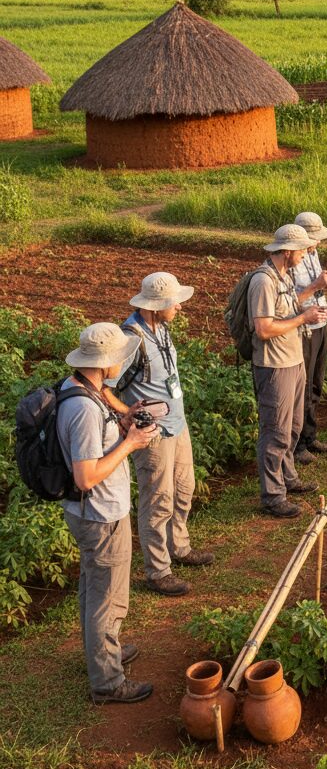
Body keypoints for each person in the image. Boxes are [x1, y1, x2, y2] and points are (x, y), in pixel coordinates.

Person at [59, 323, 160, 704]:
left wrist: (122, 424)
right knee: (109, 599)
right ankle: (107, 681)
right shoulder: (84, 408)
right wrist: (131, 443)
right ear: (103, 363)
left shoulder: (80, 388)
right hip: (99, 514)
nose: (123, 362)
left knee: (93, 589)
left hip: (91, 513)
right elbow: (85, 476)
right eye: (119, 357)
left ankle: (102, 652)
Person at [115, 272, 213, 598]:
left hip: (177, 425)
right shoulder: (131, 338)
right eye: (175, 303)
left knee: (184, 489)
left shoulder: (162, 328)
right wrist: (127, 414)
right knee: (158, 500)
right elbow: (103, 387)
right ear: (156, 307)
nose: (180, 308)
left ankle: (179, 547)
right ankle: (158, 571)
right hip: (153, 433)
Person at [249, 224, 327, 519]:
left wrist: (306, 307)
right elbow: (264, 328)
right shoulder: (263, 281)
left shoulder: (284, 275)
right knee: (275, 431)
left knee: (293, 426)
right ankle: (272, 495)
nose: (306, 252)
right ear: (287, 251)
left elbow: (286, 308)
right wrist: (303, 319)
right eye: (302, 249)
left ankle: (288, 476)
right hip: (274, 365)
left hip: (293, 360)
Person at [290, 211, 327, 465]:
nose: (318, 243)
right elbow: (287, 302)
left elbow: (313, 287)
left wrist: (324, 283)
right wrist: (315, 286)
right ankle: (297, 444)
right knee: (303, 385)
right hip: (303, 328)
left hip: (320, 322)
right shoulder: (290, 261)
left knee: (316, 383)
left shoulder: (312, 253)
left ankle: (310, 436)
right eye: (314, 238)